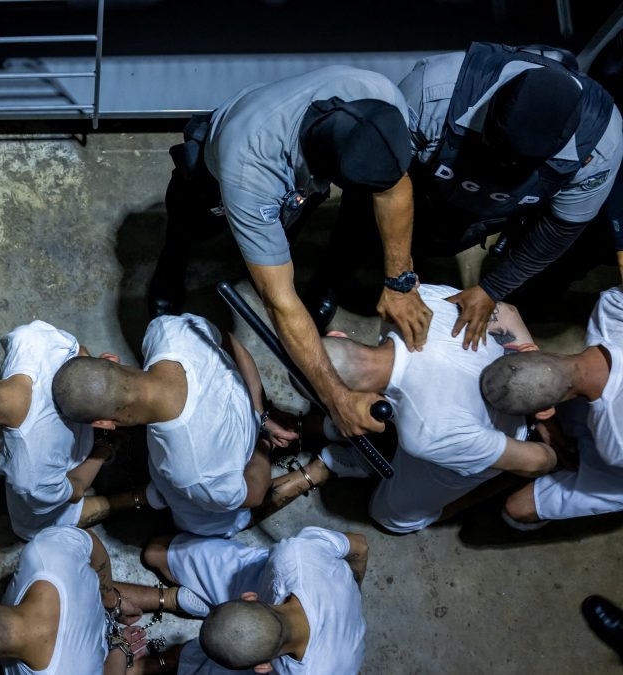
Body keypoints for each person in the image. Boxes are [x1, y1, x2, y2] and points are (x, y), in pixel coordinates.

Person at [148, 65, 432, 439]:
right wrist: (336, 398)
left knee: (286, 231)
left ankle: (262, 251)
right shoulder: (251, 168)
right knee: (189, 227)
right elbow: (279, 300)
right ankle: (170, 267)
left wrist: (400, 282)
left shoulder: (379, 96)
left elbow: (394, 187)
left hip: (300, 183)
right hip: (215, 173)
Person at [326, 42, 622, 348]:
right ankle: (330, 278)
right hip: (419, 182)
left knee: (441, 242)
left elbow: (559, 230)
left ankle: (421, 259)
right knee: (357, 224)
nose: (505, 167)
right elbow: (384, 176)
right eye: (501, 151)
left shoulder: (600, 146)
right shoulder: (433, 91)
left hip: (484, 210)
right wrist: (398, 276)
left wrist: (492, 289)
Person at [270, 285, 557, 533]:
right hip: (453, 418)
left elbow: (539, 462)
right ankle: (344, 440)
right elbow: (507, 312)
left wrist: (542, 412)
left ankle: (440, 500)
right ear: (339, 334)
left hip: (495, 440)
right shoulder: (413, 302)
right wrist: (536, 377)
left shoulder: (429, 434)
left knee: (390, 517)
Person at [52, 314, 296, 538]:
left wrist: (263, 441)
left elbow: (254, 494)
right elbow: (227, 340)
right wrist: (261, 413)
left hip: (234, 471)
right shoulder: (168, 331)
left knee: (203, 524)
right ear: (110, 359)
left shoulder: (193, 473)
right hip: (249, 417)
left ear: (103, 423)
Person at [0, 321, 143, 541]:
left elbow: (76, 489)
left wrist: (104, 448)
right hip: (102, 412)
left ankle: (141, 497)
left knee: (30, 526)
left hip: (83, 453)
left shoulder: (28, 476)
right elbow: (81, 353)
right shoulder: (28, 338)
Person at [0, 526, 151, 673]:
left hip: (102, 659)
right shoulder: (44, 552)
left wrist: (121, 648)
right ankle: (169, 598)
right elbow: (90, 543)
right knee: (85, 578)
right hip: (95, 601)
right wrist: (111, 598)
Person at [480, 286, 623, 528]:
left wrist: (546, 425)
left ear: (545, 410)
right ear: (531, 348)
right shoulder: (612, 307)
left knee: (517, 510)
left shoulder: (616, 444)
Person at [139, 526, 368, 674]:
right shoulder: (295, 556)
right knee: (155, 553)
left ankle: (182, 606)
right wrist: (353, 588)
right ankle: (182, 605)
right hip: (258, 577)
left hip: (263, 598)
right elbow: (361, 545)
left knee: (194, 664)